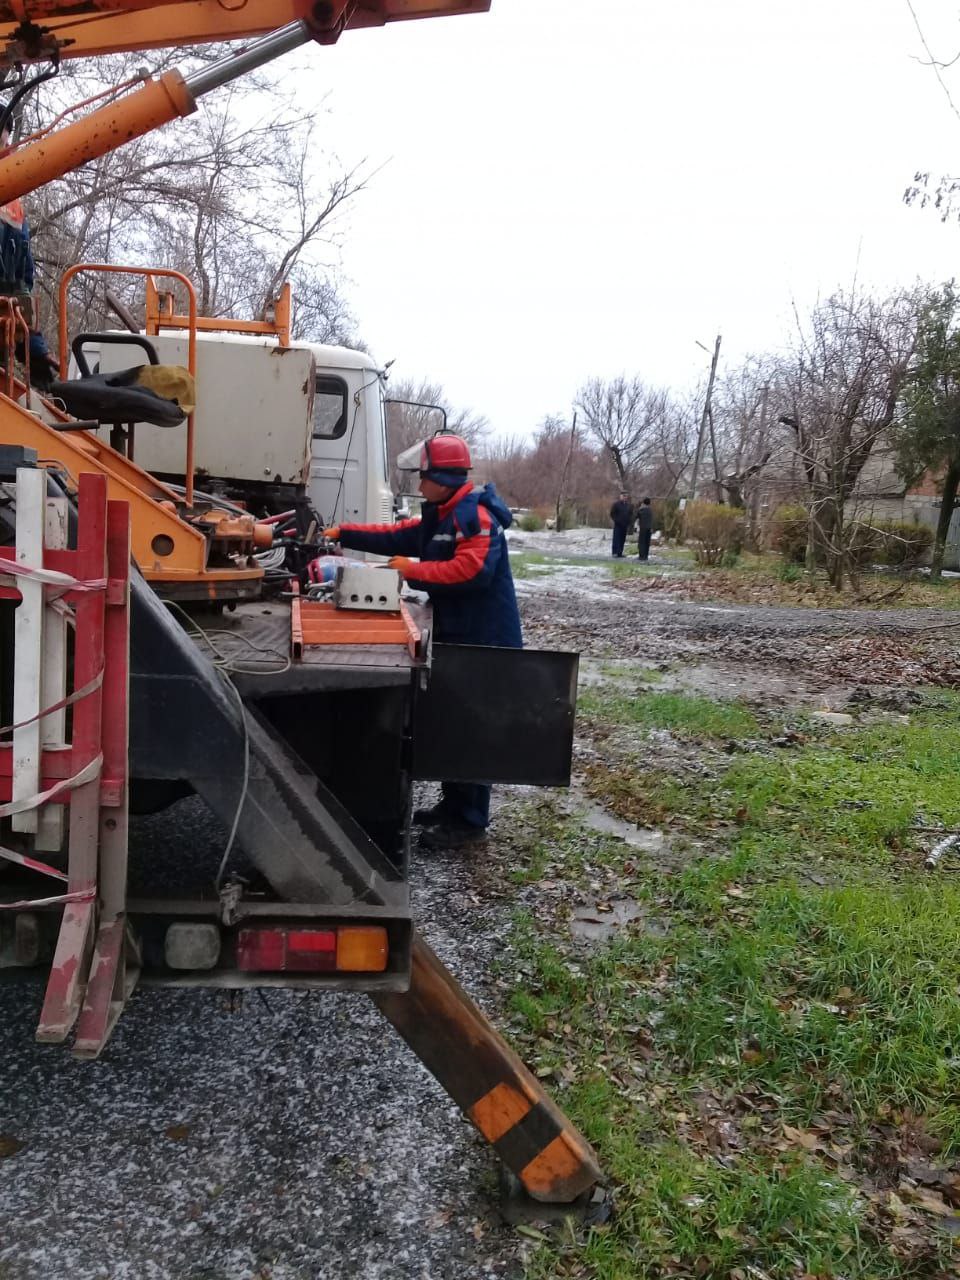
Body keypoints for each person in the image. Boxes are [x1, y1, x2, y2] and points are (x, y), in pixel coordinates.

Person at [323, 431, 522, 850]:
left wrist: (411, 570)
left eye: (423, 477)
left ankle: (469, 821)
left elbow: (472, 572)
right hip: (459, 630)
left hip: (485, 638)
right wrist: (344, 533)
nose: (418, 485)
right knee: (453, 718)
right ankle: (453, 806)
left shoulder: (474, 517)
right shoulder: (441, 514)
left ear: (444, 477)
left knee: (471, 725)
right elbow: (396, 537)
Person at [0, 107, 56, 390]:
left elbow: (21, 285)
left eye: (5, 142)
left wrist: (34, 348)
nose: (5, 148)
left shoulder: (13, 209)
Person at [609, 490, 634, 557]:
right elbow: (612, 514)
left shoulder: (628, 505)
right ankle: (614, 552)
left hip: (625, 524)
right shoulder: (616, 504)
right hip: (618, 524)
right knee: (616, 538)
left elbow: (630, 514)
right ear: (621, 496)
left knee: (622, 539)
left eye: (626, 496)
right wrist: (616, 520)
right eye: (624, 496)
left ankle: (620, 552)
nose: (625, 497)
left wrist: (629, 521)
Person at [636, 496, 654, 561]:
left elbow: (636, 516)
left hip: (643, 528)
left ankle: (641, 556)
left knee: (642, 542)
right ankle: (646, 556)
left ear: (643, 503)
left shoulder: (641, 509)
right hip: (649, 528)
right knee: (647, 542)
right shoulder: (650, 510)